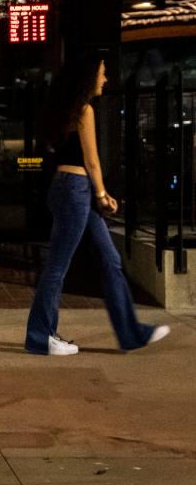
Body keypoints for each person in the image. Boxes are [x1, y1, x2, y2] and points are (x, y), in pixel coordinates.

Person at [25, 52, 170, 355]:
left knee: (110, 261)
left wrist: (97, 193)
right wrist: (102, 194)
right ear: (88, 77)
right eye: (102, 73)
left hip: (70, 189)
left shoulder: (65, 108)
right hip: (76, 190)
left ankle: (131, 334)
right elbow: (91, 161)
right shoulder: (84, 110)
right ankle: (40, 336)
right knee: (57, 267)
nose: (105, 78)